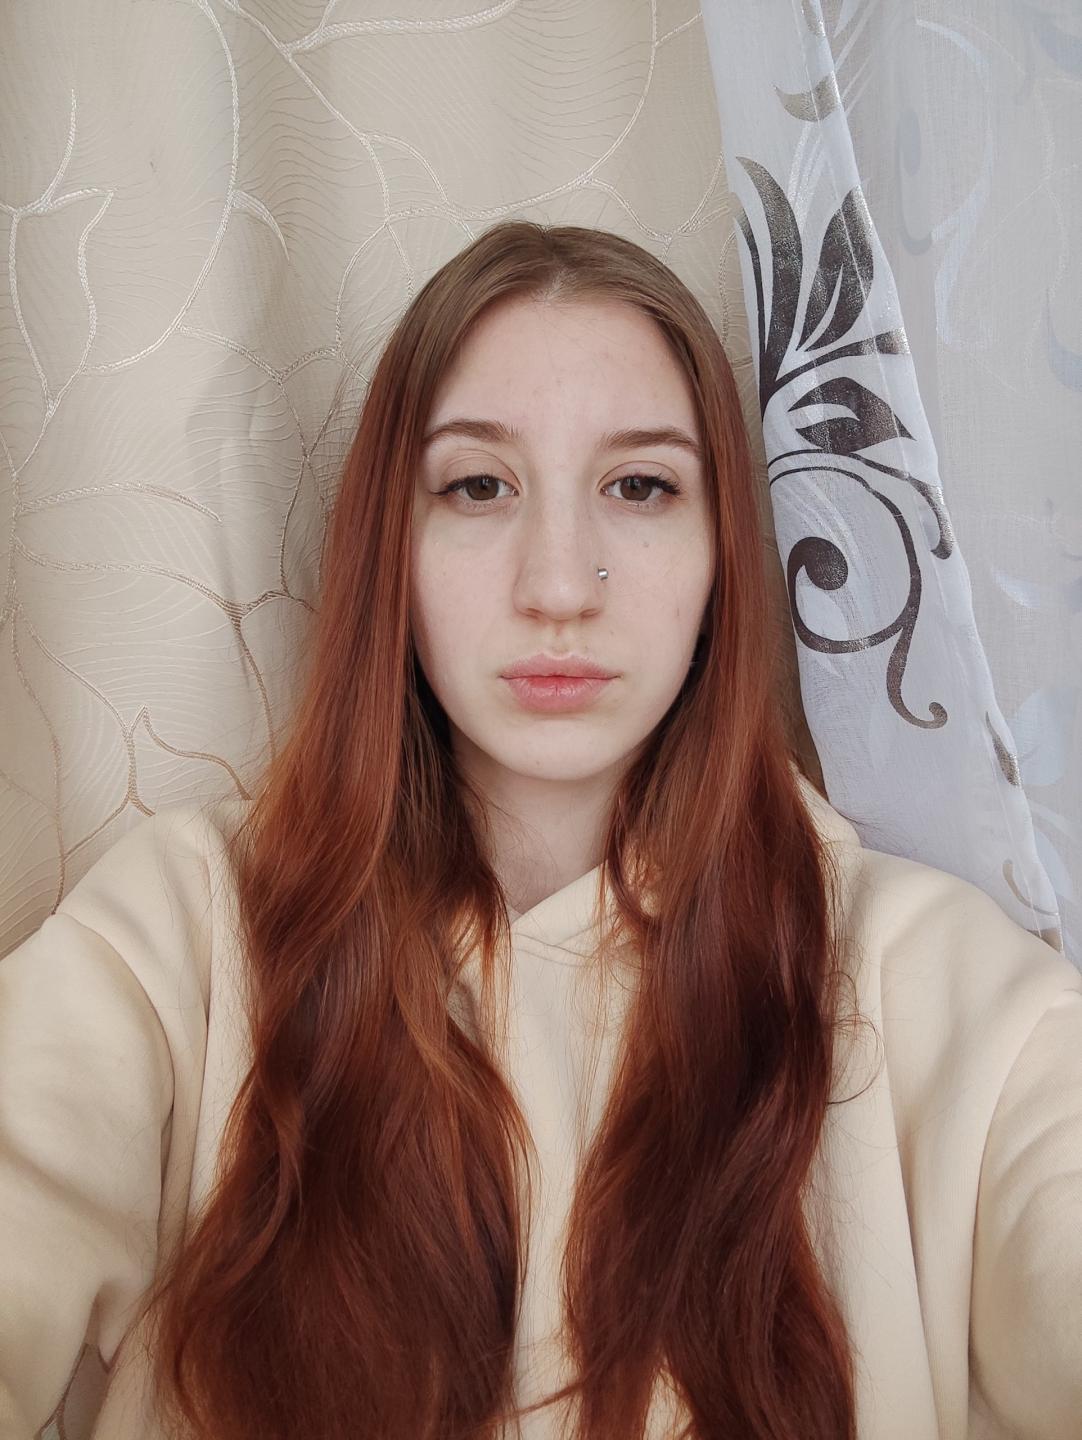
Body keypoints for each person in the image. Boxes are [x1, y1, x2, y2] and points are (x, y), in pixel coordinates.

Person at [0, 221, 1079, 1440]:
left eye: (639, 486)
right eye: (477, 486)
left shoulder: (919, 978)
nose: (559, 586)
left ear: (723, 553)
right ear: (389, 547)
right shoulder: (183, 937)